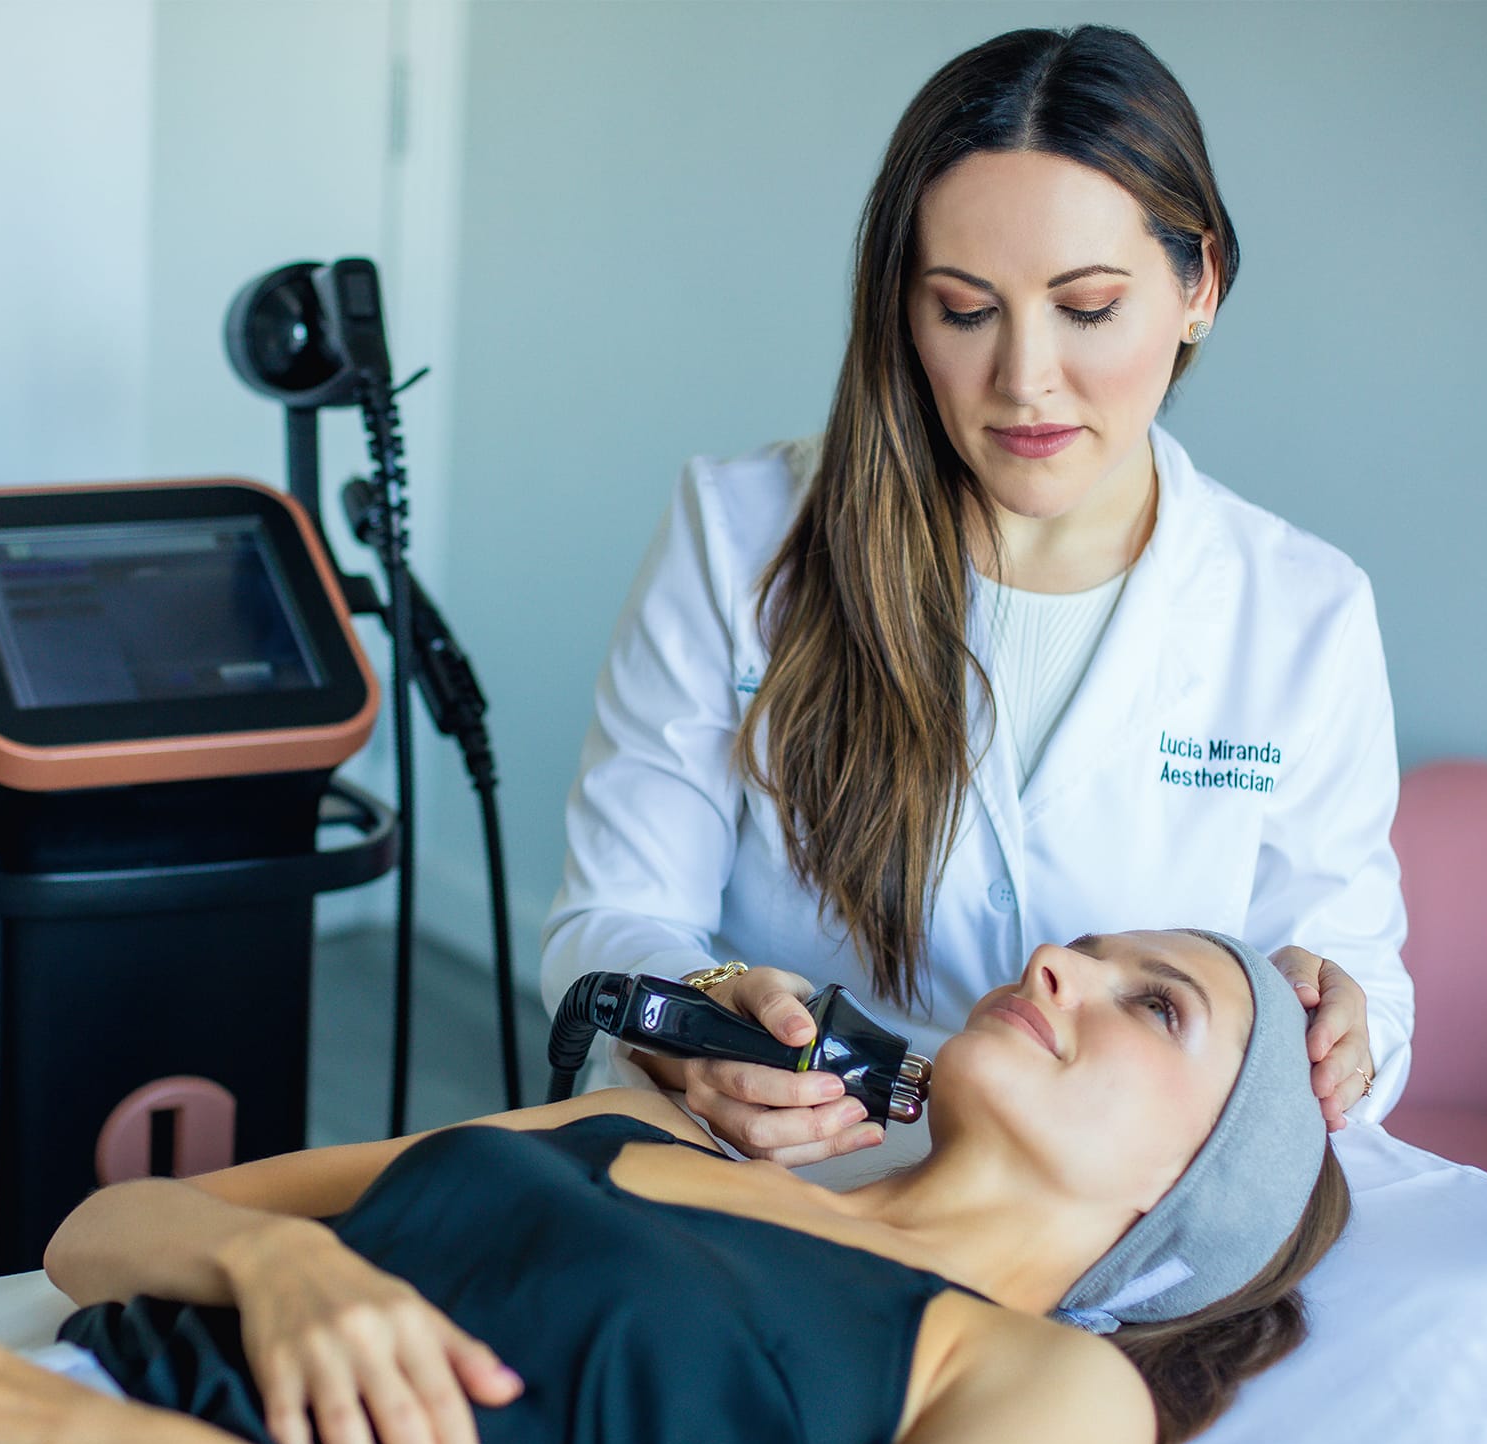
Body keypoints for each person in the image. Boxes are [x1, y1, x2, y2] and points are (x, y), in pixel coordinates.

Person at [538, 25, 1410, 1176]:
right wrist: (691, 1021)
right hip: (786, 1188)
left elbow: (1356, 974)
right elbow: (609, 919)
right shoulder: (740, 534)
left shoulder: (1304, 613)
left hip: (1096, 1221)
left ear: (1199, 286)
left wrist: (1345, 1022)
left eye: (1086, 307)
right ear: (904, 308)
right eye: (965, 309)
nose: (1024, 379)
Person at [0, 930, 1345, 1444]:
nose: (1060, 961)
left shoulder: (1053, 1386)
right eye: (1096, 949)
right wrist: (283, 1266)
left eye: (1155, 1005)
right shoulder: (646, 1131)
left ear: (1191, 1194)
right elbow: (94, 1234)